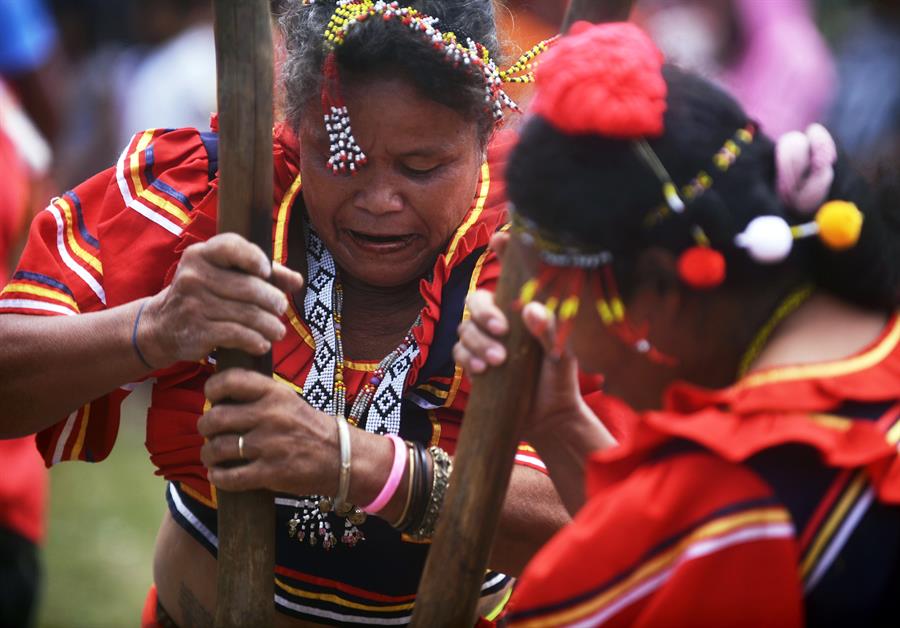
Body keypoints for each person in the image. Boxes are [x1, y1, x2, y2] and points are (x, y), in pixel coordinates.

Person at [0, 1, 568, 625]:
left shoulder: (534, 258)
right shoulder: (215, 197)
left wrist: (354, 464)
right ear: (297, 124)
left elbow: (601, 516)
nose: (379, 201)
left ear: (485, 132)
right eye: (340, 157)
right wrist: (153, 328)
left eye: (421, 167)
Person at [455, 21, 900, 626]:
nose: (565, 339)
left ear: (661, 288)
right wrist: (559, 422)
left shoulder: (741, 493)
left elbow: (675, 547)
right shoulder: (872, 347)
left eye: (558, 297)